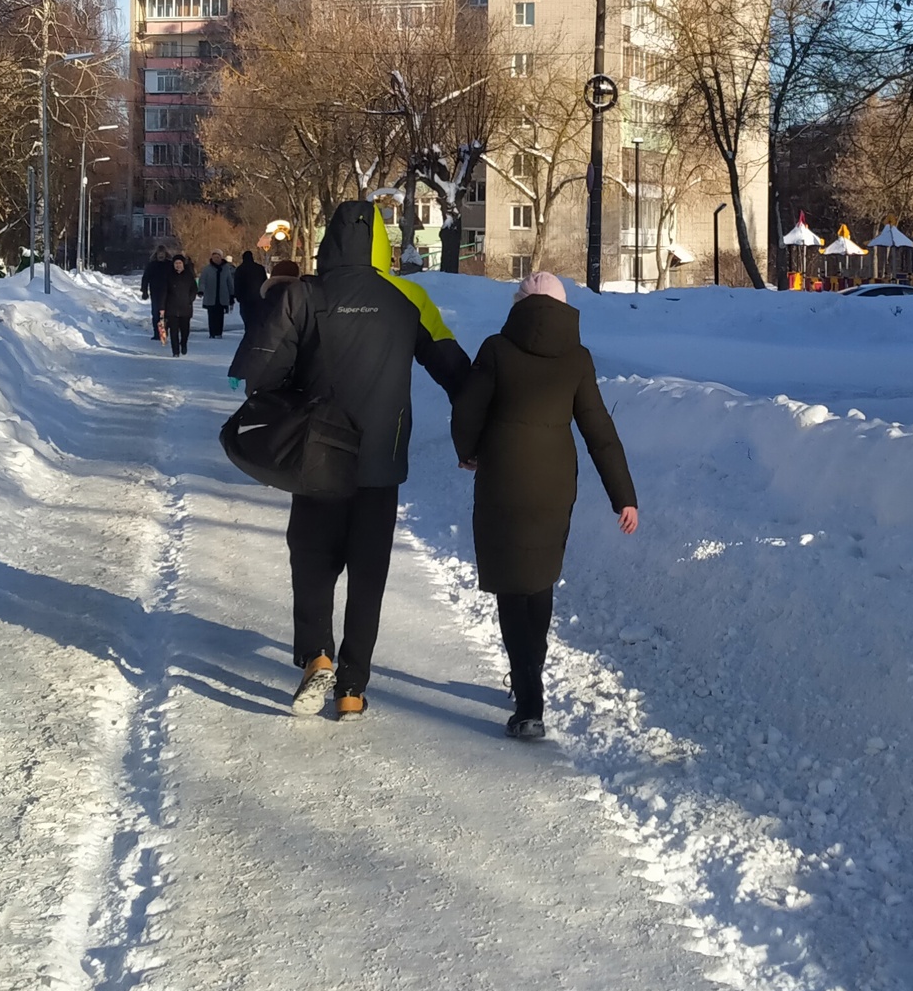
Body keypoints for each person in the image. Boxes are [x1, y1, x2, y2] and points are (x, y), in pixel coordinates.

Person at [232, 203, 469, 720]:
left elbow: (253, 372)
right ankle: (353, 688)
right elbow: (455, 372)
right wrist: (477, 436)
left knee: (311, 560)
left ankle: (318, 654)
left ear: (328, 242)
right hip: (380, 464)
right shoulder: (410, 298)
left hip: (315, 460)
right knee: (369, 574)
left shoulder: (304, 294)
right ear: (382, 244)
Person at [450, 271, 638, 742]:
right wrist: (624, 496)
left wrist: (468, 451)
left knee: (513, 587)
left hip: (503, 480)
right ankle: (530, 675)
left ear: (520, 305)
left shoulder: (496, 348)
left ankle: (528, 698)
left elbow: (467, 410)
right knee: (540, 577)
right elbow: (599, 432)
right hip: (555, 483)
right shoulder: (577, 359)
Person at [163, 251, 199, 356]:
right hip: (172, 308)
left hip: (185, 308)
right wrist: (163, 305)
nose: (178, 265)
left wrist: (190, 299)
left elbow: (194, 289)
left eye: (180, 263)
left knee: (185, 330)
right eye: (176, 263)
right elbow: (164, 291)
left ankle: (183, 343)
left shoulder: (189, 275)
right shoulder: (169, 276)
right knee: (173, 331)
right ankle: (175, 351)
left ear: (183, 264)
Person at [139, 245, 173, 341]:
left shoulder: (169, 265)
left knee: (165, 314)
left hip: (168, 293)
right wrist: (144, 291)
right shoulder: (152, 265)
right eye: (159, 254)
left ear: (165, 254)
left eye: (162, 254)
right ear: (156, 254)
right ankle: (158, 333)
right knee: (156, 313)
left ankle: (164, 332)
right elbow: (145, 278)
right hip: (156, 293)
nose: (161, 255)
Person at [202, 251, 237, 339]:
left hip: (222, 295)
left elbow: (229, 282)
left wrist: (232, 294)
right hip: (210, 295)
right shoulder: (207, 269)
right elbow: (202, 281)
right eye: (214, 257)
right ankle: (212, 332)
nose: (216, 259)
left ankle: (218, 332)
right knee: (211, 315)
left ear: (221, 258)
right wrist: (201, 290)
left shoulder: (226, 269)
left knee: (220, 315)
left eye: (218, 257)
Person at [232, 250, 268, 327]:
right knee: (256, 316)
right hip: (258, 297)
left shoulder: (240, 269)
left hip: (245, 298)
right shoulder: (259, 268)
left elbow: (237, 283)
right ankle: (255, 330)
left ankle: (248, 330)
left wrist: (237, 295)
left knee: (246, 316)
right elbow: (265, 282)